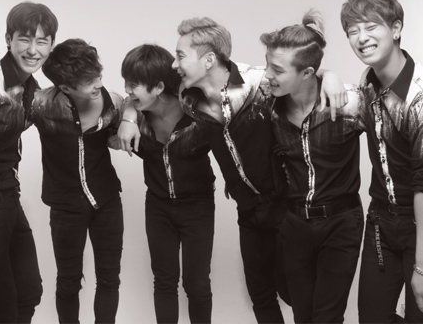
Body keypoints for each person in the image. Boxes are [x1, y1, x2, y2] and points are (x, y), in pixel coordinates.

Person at [119, 17, 347, 324]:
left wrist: (328, 74)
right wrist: (129, 116)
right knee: (260, 296)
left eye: (181, 56)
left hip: (285, 205)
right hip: (248, 209)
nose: (174, 64)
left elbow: (296, 74)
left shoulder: (257, 82)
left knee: (296, 293)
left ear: (209, 60)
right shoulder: (187, 95)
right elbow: (142, 93)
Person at [260, 10, 365, 323]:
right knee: (302, 315)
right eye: (267, 64)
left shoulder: (349, 103)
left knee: (326, 318)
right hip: (295, 224)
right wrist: (132, 116)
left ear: (306, 72)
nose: (267, 74)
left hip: (341, 223)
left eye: (277, 69)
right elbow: (219, 77)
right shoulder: (269, 104)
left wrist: (330, 75)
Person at [0, 1, 58, 323]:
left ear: (51, 45)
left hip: (7, 198)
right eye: (25, 39)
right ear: (9, 39)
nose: (33, 50)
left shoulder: (33, 89)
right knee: (1, 308)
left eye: (42, 41)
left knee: (28, 292)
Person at [340, 0, 423, 323]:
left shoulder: (418, 97)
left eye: (371, 27)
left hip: (419, 222)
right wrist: (325, 75)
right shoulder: (368, 84)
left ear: (396, 28)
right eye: (353, 31)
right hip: (380, 221)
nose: (362, 38)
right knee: (372, 317)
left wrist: (421, 267)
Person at [29, 38, 124, 324]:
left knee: (109, 278)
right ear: (65, 87)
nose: (98, 83)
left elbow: (133, 104)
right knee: (68, 280)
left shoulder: (112, 101)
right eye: (88, 81)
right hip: (65, 205)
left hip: (106, 201)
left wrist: (130, 120)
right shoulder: (41, 104)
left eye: (98, 75)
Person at [120, 44, 215, 324]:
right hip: (158, 206)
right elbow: (111, 99)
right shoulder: (136, 116)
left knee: (197, 283)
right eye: (126, 82)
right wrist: (128, 115)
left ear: (159, 87)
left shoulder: (196, 110)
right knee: (164, 280)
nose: (127, 90)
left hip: (197, 206)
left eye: (134, 85)